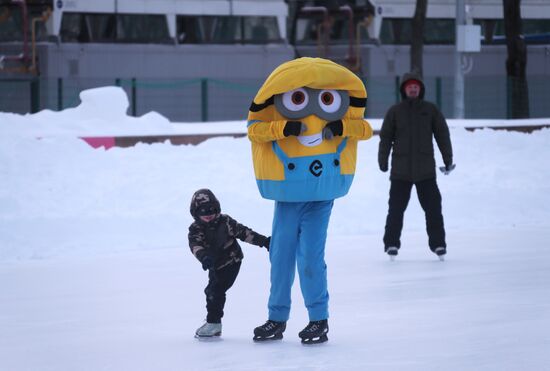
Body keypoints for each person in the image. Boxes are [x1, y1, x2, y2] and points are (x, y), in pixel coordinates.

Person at [246, 57, 373, 344]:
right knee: (280, 257)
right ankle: (276, 318)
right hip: (289, 197)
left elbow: (364, 129)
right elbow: (254, 130)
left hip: (319, 198)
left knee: (310, 258)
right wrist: (283, 129)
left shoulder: (340, 117)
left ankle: (319, 319)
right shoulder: (278, 116)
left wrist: (342, 127)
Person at [378, 72, 454, 261]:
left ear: (420, 89)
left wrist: (448, 158)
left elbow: (442, 135)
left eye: (416, 86)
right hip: (400, 172)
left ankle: (438, 244)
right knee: (395, 210)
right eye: (409, 86)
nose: (413, 88)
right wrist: (383, 160)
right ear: (404, 89)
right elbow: (385, 138)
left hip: (425, 171)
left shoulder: (430, 110)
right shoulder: (395, 112)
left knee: (433, 209)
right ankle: (391, 244)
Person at [188, 188, 270, 338]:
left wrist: (264, 241)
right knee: (211, 291)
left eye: (212, 210)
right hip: (214, 264)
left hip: (231, 261)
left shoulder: (225, 222)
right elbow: (195, 245)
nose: (208, 215)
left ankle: (213, 323)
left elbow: (244, 233)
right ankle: (214, 323)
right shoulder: (196, 228)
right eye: (203, 211)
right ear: (195, 212)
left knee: (215, 291)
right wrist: (204, 257)